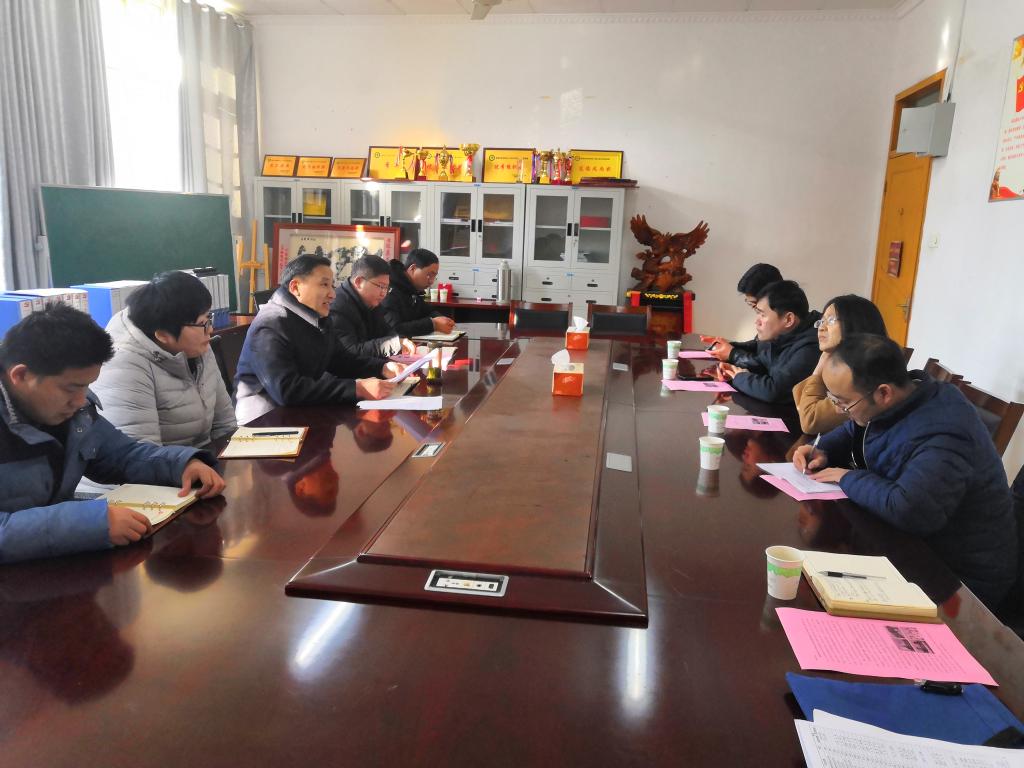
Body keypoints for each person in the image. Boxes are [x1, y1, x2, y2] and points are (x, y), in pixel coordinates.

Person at [793, 334, 1017, 608]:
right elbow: (857, 428)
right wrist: (823, 449)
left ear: (884, 393)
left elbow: (910, 510)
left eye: (843, 402)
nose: (841, 410)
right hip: (912, 544)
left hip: (960, 581)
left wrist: (847, 477)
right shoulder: (901, 399)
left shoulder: (945, 430)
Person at [0, 305, 225, 564]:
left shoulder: (73, 412)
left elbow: (122, 455)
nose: (80, 400)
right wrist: (91, 523)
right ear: (21, 375)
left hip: (53, 563)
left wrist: (181, 465)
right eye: (71, 388)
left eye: (86, 386)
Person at [234, 254, 399, 424]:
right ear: (295, 287)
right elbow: (287, 389)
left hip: (300, 412)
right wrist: (357, 388)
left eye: (332, 285)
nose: (333, 294)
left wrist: (382, 368)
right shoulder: (270, 325)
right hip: (264, 422)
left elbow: (341, 360)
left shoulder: (315, 317)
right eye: (324, 284)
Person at [92, 271, 235, 449]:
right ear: (163, 335)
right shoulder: (125, 367)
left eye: (209, 318)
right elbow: (139, 456)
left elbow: (225, 425)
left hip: (200, 458)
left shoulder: (198, 346)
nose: (210, 329)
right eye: (202, 324)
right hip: (165, 464)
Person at [792, 295, 887, 435]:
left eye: (831, 320)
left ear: (856, 324)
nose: (821, 328)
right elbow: (799, 401)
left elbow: (810, 421)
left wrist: (817, 371)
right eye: (821, 321)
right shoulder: (839, 364)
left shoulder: (861, 371)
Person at [715, 280, 820, 403]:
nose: (757, 321)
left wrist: (740, 378)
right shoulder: (781, 336)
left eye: (763, 315)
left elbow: (774, 391)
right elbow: (764, 364)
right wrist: (735, 371)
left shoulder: (811, 347)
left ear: (788, 320)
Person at [330, 254, 416, 360]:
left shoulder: (371, 301)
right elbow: (350, 351)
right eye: (381, 286)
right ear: (359, 282)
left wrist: (400, 340)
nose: (384, 293)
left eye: (386, 288)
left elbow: (385, 331)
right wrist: (393, 344)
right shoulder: (337, 307)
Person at [705, 263, 783, 365]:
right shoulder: (769, 317)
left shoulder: (784, 321)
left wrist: (732, 354)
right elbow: (759, 346)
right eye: (750, 304)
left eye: (754, 304)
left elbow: (767, 366)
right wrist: (728, 347)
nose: (757, 320)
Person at [381, 249, 455, 338]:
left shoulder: (411, 289)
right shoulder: (389, 291)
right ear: (413, 269)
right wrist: (433, 324)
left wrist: (442, 319)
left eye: (434, 276)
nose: (431, 281)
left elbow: (427, 311)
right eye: (429, 275)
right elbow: (395, 330)